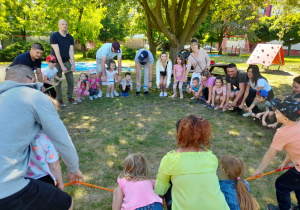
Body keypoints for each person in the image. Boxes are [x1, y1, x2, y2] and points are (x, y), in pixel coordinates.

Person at [0, 64, 84, 209]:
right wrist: (73, 169)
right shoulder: (32, 96)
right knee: (65, 203)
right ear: (31, 79)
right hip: (7, 187)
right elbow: (61, 137)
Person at [154, 115, 229, 210]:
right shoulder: (211, 157)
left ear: (180, 134)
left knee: (166, 181)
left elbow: (160, 189)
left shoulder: (170, 158)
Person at [253, 98, 300, 210]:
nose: (275, 113)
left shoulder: (282, 133)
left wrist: (260, 169)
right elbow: (295, 149)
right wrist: (285, 162)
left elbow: (270, 154)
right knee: (298, 187)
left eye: (277, 112)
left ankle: (284, 208)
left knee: (281, 185)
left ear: (285, 118)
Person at [26, 97, 64, 191]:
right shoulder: (45, 139)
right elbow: (54, 165)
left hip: (23, 180)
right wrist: (60, 182)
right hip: (44, 180)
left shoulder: (19, 136)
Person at [50, 19, 77, 106]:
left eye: (66, 24)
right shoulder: (54, 36)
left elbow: (71, 52)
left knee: (71, 81)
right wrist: (61, 66)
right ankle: (60, 99)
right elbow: (57, 52)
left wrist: (73, 64)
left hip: (66, 61)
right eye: (62, 24)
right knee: (58, 82)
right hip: (56, 63)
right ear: (58, 25)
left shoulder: (70, 37)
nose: (65, 26)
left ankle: (70, 97)